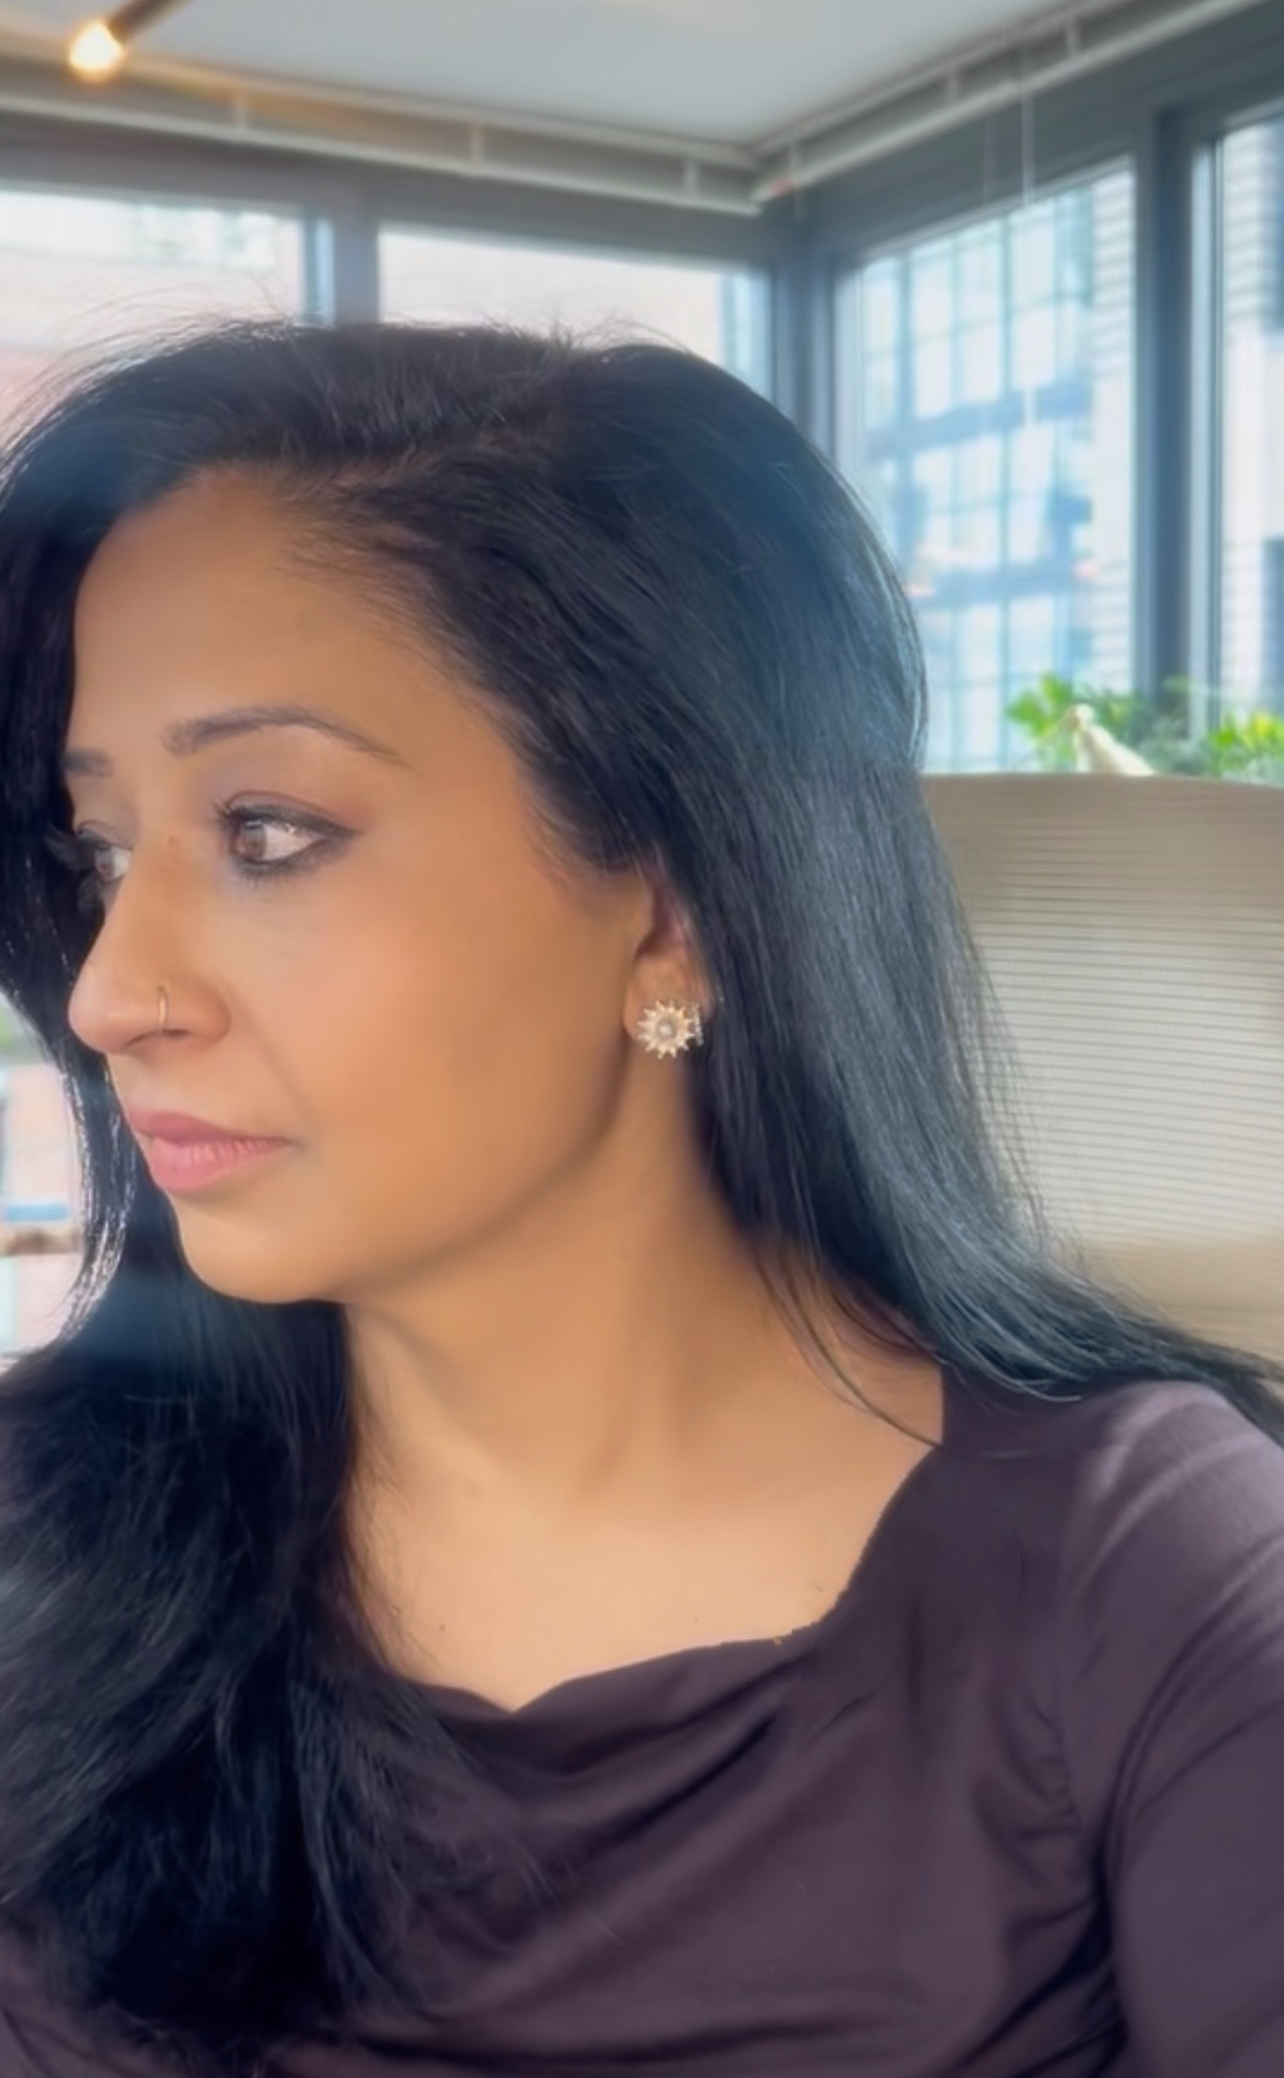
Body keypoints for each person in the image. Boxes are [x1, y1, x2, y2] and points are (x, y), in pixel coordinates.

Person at [0, 322, 1281, 2078]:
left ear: (674, 904)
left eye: (270, 830)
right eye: (98, 849)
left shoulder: (1154, 1584)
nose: (110, 989)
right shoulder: (42, 1533)